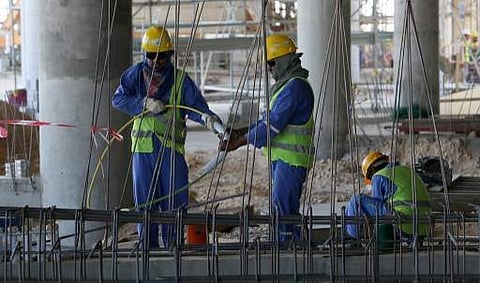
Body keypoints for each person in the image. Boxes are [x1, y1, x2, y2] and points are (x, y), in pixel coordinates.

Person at [112, 26, 222, 248]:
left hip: (171, 152)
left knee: (174, 205)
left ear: (169, 55)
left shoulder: (180, 80)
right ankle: (148, 252)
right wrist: (142, 103)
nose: (155, 61)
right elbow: (118, 99)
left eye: (161, 56)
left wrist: (210, 120)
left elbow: (197, 108)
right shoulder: (135, 75)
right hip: (143, 152)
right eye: (150, 56)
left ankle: (173, 251)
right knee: (146, 205)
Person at [219, 34, 315, 243]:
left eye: (272, 63)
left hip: (291, 161)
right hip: (282, 160)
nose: (270, 69)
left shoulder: (295, 87)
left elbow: (272, 126)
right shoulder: (286, 86)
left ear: (284, 60)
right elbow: (267, 120)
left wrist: (239, 141)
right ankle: (290, 249)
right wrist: (241, 130)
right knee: (282, 210)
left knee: (283, 211)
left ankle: (288, 254)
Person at [345, 152, 431, 242]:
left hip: (404, 224)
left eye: (370, 177)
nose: (372, 181)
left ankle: (354, 240)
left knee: (356, 201)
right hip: (424, 227)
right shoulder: (407, 170)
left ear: (373, 170)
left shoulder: (379, 176)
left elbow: (377, 209)